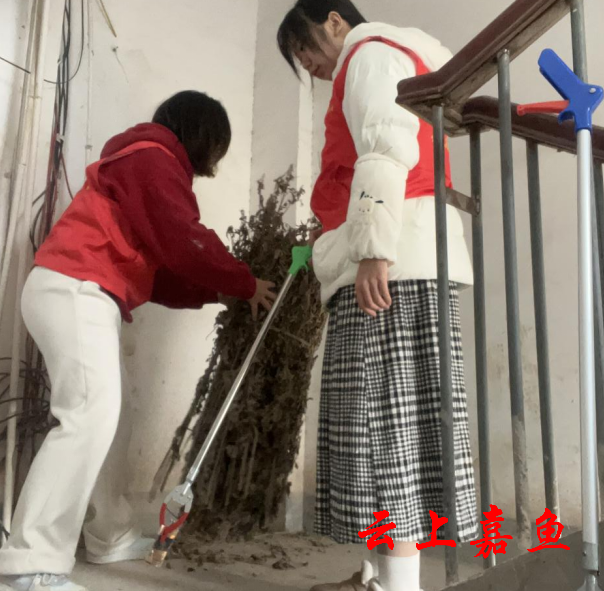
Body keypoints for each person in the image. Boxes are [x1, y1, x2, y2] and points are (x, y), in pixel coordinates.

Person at [0, 90, 275, 591]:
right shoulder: (152, 157)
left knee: (113, 418)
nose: (214, 161)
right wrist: (244, 282)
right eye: (217, 147)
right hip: (76, 287)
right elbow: (184, 239)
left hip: (81, 292)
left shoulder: (143, 163)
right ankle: (29, 560)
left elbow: (161, 270)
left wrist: (219, 290)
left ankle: (109, 534)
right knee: (87, 417)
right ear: (202, 134)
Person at [277, 2, 477, 591]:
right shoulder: (384, 57)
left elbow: (385, 147)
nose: (308, 65)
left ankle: (399, 586)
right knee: (381, 430)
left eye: (305, 49)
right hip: (397, 255)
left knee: (385, 436)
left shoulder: (369, 56)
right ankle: (374, 576)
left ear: (334, 21)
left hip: (391, 262)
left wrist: (371, 248)